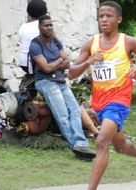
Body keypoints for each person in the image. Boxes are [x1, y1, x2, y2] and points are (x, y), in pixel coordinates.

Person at [68, 1, 136, 189]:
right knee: (120, 147)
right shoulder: (91, 44)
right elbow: (71, 73)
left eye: (108, 16)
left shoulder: (128, 42)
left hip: (119, 100)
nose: (104, 19)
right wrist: (88, 62)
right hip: (99, 103)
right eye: (101, 16)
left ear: (118, 19)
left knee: (102, 141)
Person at [29, 15, 96, 160]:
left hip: (59, 80)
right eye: (46, 25)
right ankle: (76, 145)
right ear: (39, 27)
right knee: (63, 114)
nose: (49, 28)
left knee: (75, 109)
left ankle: (81, 142)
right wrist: (59, 61)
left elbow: (67, 62)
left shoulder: (56, 42)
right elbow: (46, 68)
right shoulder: (35, 45)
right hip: (45, 81)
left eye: (50, 25)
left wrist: (56, 63)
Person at [18, 0, 48, 74]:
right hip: (36, 64)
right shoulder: (44, 25)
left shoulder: (23, 26)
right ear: (45, 12)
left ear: (29, 12)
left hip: (24, 63)